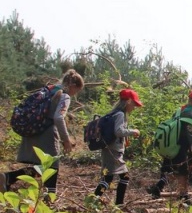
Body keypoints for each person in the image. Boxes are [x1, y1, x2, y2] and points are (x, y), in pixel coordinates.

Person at [2, 69, 85, 200]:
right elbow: (58, 118)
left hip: (35, 131)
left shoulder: (49, 90)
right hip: (47, 135)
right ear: (73, 86)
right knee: (53, 166)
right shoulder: (64, 96)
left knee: (42, 167)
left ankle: (9, 178)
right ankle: (49, 199)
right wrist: (66, 140)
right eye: (77, 90)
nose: (75, 94)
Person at [147, 89, 192, 199]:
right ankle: (183, 196)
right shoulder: (190, 114)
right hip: (181, 148)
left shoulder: (180, 110)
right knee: (183, 172)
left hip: (171, 145)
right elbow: (190, 136)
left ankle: (157, 189)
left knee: (168, 169)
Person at [92, 89, 142, 205]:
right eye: (134, 104)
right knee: (121, 177)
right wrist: (132, 131)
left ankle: (102, 202)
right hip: (113, 152)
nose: (134, 107)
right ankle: (105, 203)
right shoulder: (120, 114)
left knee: (110, 178)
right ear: (128, 101)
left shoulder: (114, 113)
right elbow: (118, 131)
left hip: (111, 150)